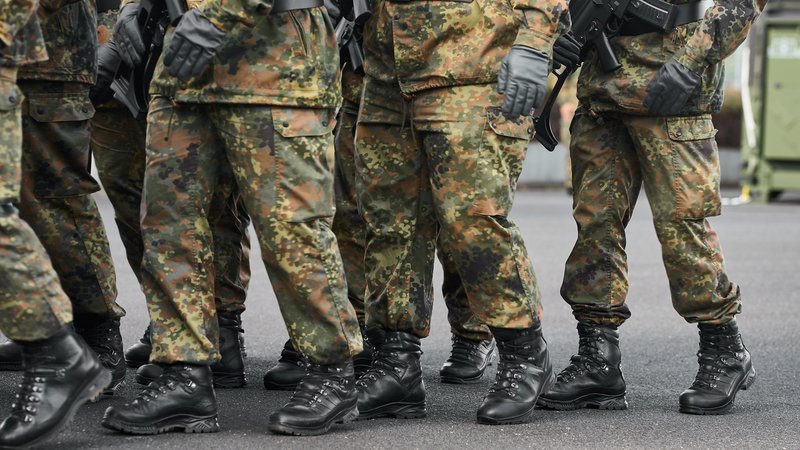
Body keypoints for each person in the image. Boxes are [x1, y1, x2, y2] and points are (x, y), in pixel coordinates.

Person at [101, 0, 364, 436]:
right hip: (184, 68)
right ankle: (183, 374)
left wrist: (217, 13)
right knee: (168, 225)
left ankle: (331, 370)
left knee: (291, 228)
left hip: (273, 63)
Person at [537, 0, 766, 415]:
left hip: (673, 87)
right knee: (595, 226)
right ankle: (598, 360)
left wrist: (692, 60)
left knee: (682, 225)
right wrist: (558, 35)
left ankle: (724, 350)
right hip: (603, 94)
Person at [353, 0, 568, 424]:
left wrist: (534, 40)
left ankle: (525, 355)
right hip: (387, 70)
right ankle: (396, 363)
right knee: (390, 224)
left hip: (474, 64)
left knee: (473, 221)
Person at [263, 43, 497, 392]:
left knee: (455, 218)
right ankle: (357, 327)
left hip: (446, 76)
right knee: (355, 213)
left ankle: (472, 330)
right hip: (366, 82)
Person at [89, 1, 250, 389]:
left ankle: (221, 326)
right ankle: (172, 322)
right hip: (110, 40)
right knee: (137, 203)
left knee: (210, 199)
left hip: (187, 33)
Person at [0, 0, 127, 395]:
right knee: (15, 209)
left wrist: (108, 43)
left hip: (50, 65)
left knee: (58, 202)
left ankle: (97, 333)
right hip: (21, 61)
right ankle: (47, 330)